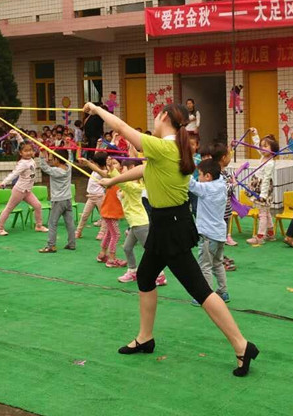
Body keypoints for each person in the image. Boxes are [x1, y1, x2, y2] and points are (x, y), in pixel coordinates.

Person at [86, 101, 258, 377]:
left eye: (156, 116)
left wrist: (97, 110)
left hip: (170, 227)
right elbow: (146, 170)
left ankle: (242, 345)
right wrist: (111, 181)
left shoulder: (165, 146)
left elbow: (122, 128)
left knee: (199, 289)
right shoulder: (174, 148)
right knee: (145, 277)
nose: (154, 120)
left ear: (164, 116)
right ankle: (145, 337)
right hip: (167, 223)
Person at [116, 160, 167, 285]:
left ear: (132, 168)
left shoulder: (135, 186)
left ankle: (160, 275)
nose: (121, 170)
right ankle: (132, 271)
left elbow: (121, 183)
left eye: (123, 168)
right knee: (127, 248)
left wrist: (112, 171)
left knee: (150, 251)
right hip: (135, 223)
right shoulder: (132, 185)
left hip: (140, 223)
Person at [188, 158, 230, 304]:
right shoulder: (221, 184)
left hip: (208, 235)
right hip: (219, 234)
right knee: (217, 263)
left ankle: (205, 295)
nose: (198, 177)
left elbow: (189, 184)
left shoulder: (206, 188)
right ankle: (223, 292)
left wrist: (185, 166)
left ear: (208, 176)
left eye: (199, 174)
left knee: (205, 265)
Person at [0, 142, 47, 235]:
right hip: (19, 190)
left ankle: (39, 226)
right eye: (25, 151)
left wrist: (17, 135)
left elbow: (22, 142)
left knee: (38, 205)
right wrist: (4, 182)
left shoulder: (31, 159)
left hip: (27, 191)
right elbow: (14, 174)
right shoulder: (22, 164)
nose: (28, 152)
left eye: (30, 150)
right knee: (9, 208)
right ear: (20, 153)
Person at [37, 150, 75, 253]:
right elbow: (70, 158)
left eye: (53, 158)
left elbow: (44, 167)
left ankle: (51, 246)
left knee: (52, 223)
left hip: (58, 200)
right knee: (70, 223)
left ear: (57, 160)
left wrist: (41, 155)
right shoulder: (69, 167)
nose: (51, 160)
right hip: (68, 199)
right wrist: (69, 148)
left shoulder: (56, 171)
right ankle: (72, 244)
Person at [206, 143, 237, 269]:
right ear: (224, 158)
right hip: (219, 211)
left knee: (222, 237)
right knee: (217, 238)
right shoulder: (217, 173)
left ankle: (220, 256)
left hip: (226, 210)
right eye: (229, 155)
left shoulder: (224, 172)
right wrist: (233, 184)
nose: (230, 157)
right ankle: (216, 260)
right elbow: (224, 190)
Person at [246, 131, 277, 246]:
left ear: (272, 149)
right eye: (261, 146)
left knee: (262, 213)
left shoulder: (270, 163)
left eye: (265, 146)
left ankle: (260, 237)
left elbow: (266, 180)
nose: (262, 149)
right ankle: (270, 233)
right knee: (266, 211)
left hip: (263, 188)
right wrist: (255, 135)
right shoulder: (263, 156)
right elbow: (257, 147)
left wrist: (263, 195)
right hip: (258, 185)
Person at [96, 157, 125, 267]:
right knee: (116, 235)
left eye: (115, 163)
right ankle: (112, 259)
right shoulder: (112, 179)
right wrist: (110, 166)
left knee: (109, 233)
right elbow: (107, 172)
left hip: (111, 212)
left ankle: (102, 254)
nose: (113, 165)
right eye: (112, 163)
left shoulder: (121, 180)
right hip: (110, 212)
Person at [75, 151, 108, 239]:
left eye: (95, 163)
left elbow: (97, 170)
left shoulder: (104, 172)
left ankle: (102, 232)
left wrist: (87, 162)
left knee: (104, 216)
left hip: (100, 197)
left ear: (100, 163)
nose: (93, 164)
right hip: (91, 197)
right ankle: (78, 231)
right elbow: (95, 161)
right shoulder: (95, 169)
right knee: (84, 215)